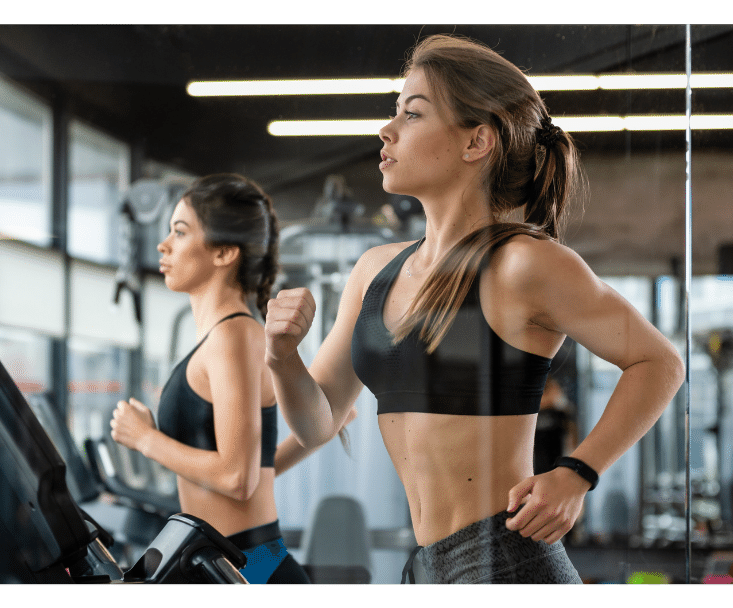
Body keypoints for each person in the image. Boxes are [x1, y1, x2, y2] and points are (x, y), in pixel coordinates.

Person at [264, 34, 685, 585]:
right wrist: (282, 355)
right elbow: (318, 421)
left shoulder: (525, 264)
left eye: (412, 114)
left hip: (507, 560)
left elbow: (660, 363)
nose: (386, 130)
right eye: (395, 112)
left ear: (476, 142)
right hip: (428, 567)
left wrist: (577, 473)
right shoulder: (375, 269)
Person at [109, 173, 311, 584]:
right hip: (234, 561)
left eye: (180, 232)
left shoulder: (232, 336)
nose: (164, 245)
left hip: (244, 566)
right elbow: (256, 470)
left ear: (223, 253)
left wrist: (145, 438)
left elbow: (237, 478)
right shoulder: (231, 336)